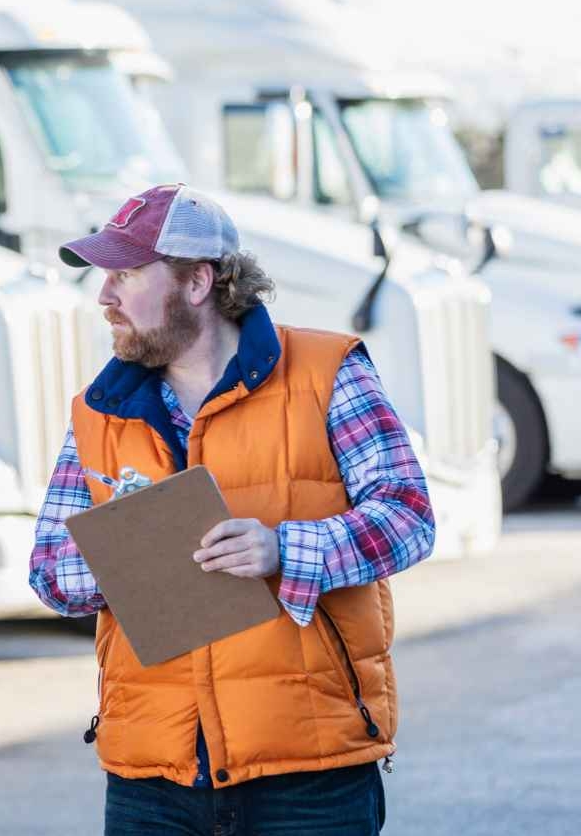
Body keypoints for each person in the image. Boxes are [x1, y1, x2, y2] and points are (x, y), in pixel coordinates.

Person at [29, 183, 436, 834]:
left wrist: (286, 549)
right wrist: (131, 560)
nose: (104, 297)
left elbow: (409, 517)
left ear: (197, 282)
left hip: (310, 774)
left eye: (128, 274)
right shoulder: (96, 411)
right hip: (152, 779)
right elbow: (49, 570)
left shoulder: (327, 371)